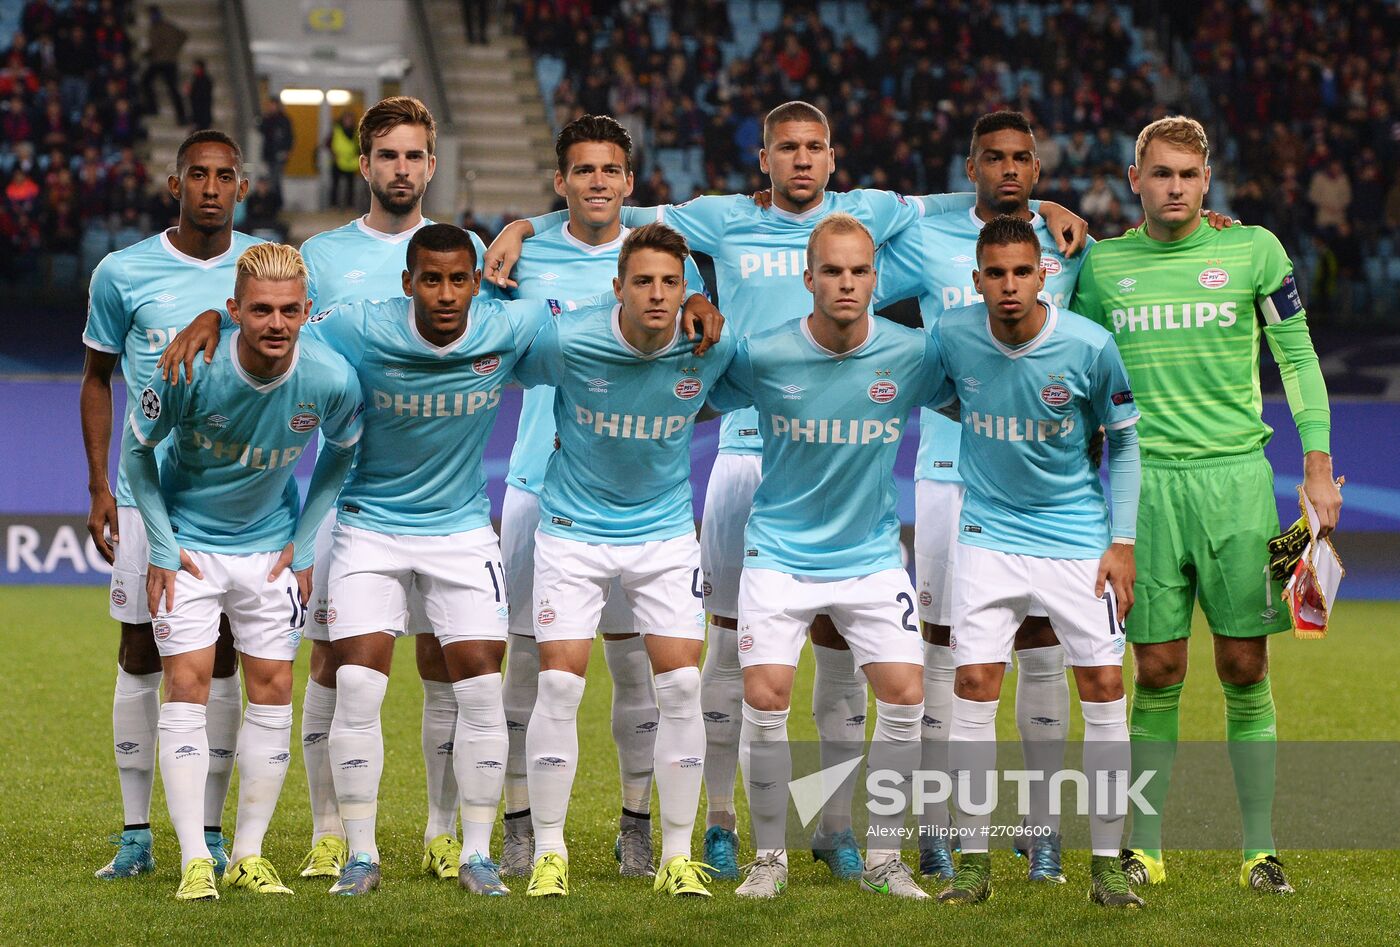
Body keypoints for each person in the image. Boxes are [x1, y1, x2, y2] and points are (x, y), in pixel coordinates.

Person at [487, 99, 1088, 879]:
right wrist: (526, 226)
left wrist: (1040, 203)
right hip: (744, 456)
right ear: (763, 157)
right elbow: (611, 205)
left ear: (832, 157)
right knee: (731, 654)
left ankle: (834, 827)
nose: (801, 160)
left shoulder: (866, 214)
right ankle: (725, 823)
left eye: (814, 148)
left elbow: (959, 201)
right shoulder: (720, 217)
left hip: (836, 452)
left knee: (844, 656)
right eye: (785, 148)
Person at [159, 96, 490, 888]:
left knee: (445, 664)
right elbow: (266, 313)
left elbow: (511, 318)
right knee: (333, 669)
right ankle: (330, 833)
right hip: (350, 498)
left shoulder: (465, 249)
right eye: (388, 156)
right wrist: (211, 314)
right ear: (364, 164)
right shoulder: (323, 254)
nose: (401, 169)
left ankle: (445, 832)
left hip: (443, 497)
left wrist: (515, 233)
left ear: (431, 167)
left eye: (415, 156)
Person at [1070, 116, 1342, 895]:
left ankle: (1260, 848)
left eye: (1190, 174)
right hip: (1143, 486)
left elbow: (1297, 357)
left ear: (1208, 179)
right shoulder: (1103, 268)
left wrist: (1317, 467)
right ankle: (1146, 848)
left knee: (1243, 662)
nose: (1177, 188)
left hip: (1237, 483)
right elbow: (1078, 373)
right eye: (1162, 174)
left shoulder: (1251, 249)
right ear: (1135, 178)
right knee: (1155, 669)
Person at [489, 114, 718, 879]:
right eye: (581, 170)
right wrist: (520, 227)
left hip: (643, 503)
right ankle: (523, 823)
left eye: (610, 170)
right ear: (561, 183)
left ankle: (638, 826)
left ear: (629, 180)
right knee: (531, 670)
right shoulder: (528, 250)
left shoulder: (665, 254)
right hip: (540, 489)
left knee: (637, 675)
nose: (596, 181)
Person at [705, 214, 953, 900]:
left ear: (876, 279)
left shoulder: (912, 352)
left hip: (870, 555)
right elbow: (691, 398)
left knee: (906, 694)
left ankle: (883, 860)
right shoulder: (764, 353)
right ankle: (769, 859)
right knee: (765, 695)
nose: (847, 283)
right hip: (779, 552)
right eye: (833, 271)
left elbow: (976, 396)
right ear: (807, 277)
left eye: (859, 271)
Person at [873, 111, 1088, 882]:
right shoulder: (928, 241)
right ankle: (937, 823)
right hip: (947, 475)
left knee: (1041, 652)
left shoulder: (1067, 247)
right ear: (970, 166)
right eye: (991, 157)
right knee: (942, 651)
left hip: (1042, 487)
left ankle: (1041, 830)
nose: (1006, 169)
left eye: (1021, 159)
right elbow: (850, 278)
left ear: (1037, 170)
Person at [122, 242, 362, 900]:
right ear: (234, 311)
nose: (275, 323)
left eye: (288, 310)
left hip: (271, 550)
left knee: (273, 689)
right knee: (188, 685)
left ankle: (250, 852)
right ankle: (196, 856)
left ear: (306, 311)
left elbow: (342, 452)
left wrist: (306, 540)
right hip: (191, 550)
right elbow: (137, 453)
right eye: (260, 310)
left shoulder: (331, 376)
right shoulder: (189, 368)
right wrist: (164, 548)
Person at [514, 223, 735, 899]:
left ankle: (673, 854)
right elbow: (493, 354)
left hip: (664, 536)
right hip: (573, 531)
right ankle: (549, 851)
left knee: (681, 688)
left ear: (689, 290)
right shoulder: (569, 337)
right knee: (558, 686)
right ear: (618, 287)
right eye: (643, 280)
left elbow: (791, 370)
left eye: (671, 282)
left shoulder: (711, 348)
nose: (658, 294)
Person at [931, 216, 1142, 908]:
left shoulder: (1089, 345)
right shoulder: (954, 335)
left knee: (1106, 688)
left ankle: (1107, 865)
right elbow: (933, 389)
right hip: (987, 536)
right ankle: (971, 863)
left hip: (1078, 541)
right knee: (975, 686)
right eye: (996, 274)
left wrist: (1123, 541)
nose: (1009, 285)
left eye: (1023, 271)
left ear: (1043, 273)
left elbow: (1126, 444)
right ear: (977, 281)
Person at [80, 130, 259, 882]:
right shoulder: (122, 271)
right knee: (139, 651)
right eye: (198, 175)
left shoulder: (264, 267)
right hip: (145, 497)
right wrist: (97, 489)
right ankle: (134, 832)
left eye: (224, 176)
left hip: (234, 504)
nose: (211, 188)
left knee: (220, 661)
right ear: (173, 184)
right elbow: (96, 379)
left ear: (241, 187)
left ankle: (210, 831)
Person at [140, 5, 187, 124]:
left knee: (149, 83)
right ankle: (180, 116)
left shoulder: (159, 27)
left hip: (162, 62)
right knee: (170, 88)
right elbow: (183, 36)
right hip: (165, 61)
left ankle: (156, 109)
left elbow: (155, 45)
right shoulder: (165, 26)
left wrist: (169, 51)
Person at [257, 97, 294, 197]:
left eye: (273, 105)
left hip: (279, 153)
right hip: (269, 154)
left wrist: (287, 150)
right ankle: (274, 202)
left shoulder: (284, 120)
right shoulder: (267, 119)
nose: (271, 107)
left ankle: (275, 202)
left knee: (275, 179)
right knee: (272, 180)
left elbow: (290, 137)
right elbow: (261, 130)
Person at [328, 111, 360, 209]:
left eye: (350, 119)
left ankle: (349, 205)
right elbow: (328, 143)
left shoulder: (356, 132)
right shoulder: (336, 130)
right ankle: (333, 205)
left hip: (351, 162)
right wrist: (333, 154)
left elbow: (358, 146)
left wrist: (358, 156)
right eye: (347, 119)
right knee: (335, 184)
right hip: (337, 161)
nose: (348, 121)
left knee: (350, 185)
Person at [187, 58, 211, 130]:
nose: (194, 69)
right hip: (196, 109)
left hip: (202, 111)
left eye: (196, 67)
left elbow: (203, 96)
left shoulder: (205, 79)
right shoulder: (194, 78)